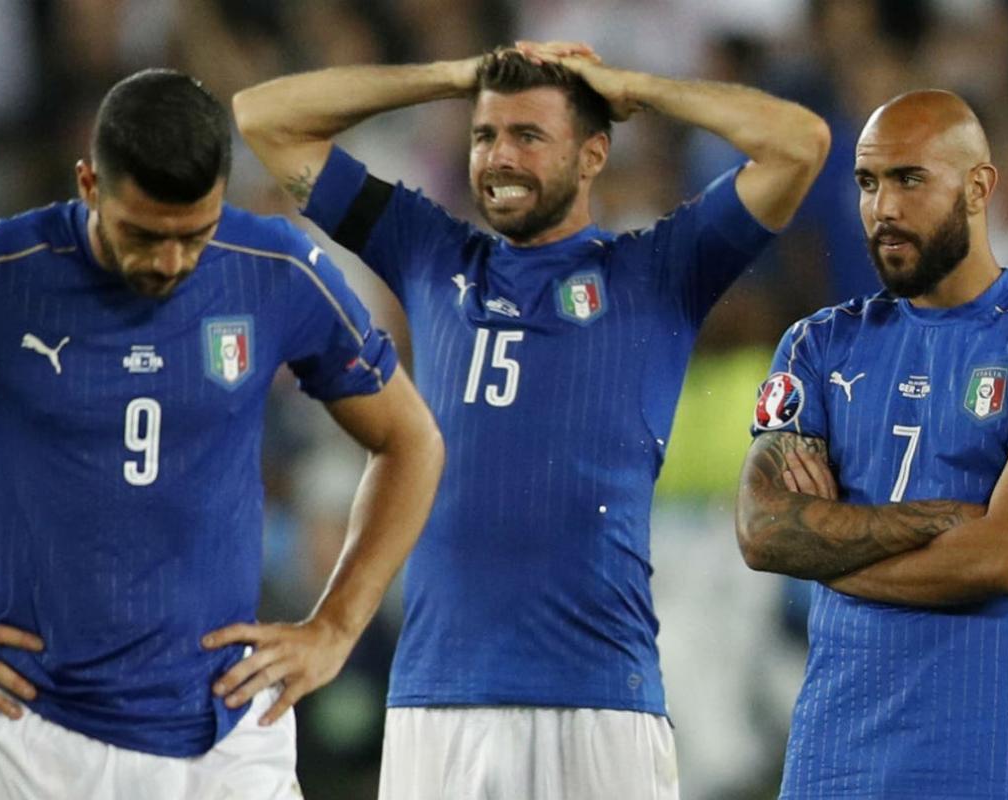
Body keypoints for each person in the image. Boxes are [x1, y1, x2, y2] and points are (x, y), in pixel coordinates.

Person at [0, 68, 444, 800]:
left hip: (230, 739)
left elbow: (412, 441)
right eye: (144, 234)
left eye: (194, 235)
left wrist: (337, 627)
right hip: (28, 739)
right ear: (89, 184)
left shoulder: (277, 269)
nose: (170, 261)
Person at [231, 41, 830, 798]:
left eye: (529, 136)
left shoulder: (658, 271)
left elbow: (799, 143)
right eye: (485, 135)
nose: (500, 157)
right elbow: (265, 119)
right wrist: (450, 76)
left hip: (599, 699)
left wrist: (635, 85)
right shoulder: (428, 251)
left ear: (592, 155)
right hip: (436, 700)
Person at [735, 90, 1008, 798]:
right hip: (832, 766)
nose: (883, 207)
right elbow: (763, 532)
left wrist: (829, 555)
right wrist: (950, 522)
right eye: (867, 182)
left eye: (909, 179)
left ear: (978, 187)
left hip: (994, 760)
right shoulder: (817, 346)